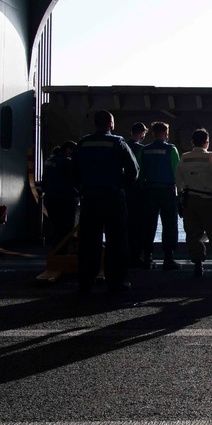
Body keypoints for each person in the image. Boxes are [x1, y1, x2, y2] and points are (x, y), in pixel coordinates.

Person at [72, 110, 139, 293]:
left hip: (90, 199)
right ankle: (116, 282)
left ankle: (85, 282)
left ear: (94, 123)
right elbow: (133, 171)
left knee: (88, 242)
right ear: (111, 123)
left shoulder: (83, 143)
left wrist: (83, 189)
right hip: (113, 198)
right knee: (116, 241)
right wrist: (121, 187)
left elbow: (73, 172)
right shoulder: (117, 142)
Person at [176, 128, 212, 278]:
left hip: (189, 201)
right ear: (207, 142)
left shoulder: (184, 158)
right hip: (208, 201)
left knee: (192, 234)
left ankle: (198, 265)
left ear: (191, 142)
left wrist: (180, 201)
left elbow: (178, 182)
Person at [138, 121, 181, 271]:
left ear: (153, 134)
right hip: (167, 191)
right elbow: (178, 172)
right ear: (166, 134)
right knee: (169, 224)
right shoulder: (171, 149)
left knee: (149, 225)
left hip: (149, 191)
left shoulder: (145, 150)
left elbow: (140, 172)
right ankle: (168, 259)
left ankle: (147, 258)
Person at [41, 141, 78, 250]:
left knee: (57, 227)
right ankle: (62, 253)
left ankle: (56, 251)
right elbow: (74, 180)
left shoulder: (50, 160)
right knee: (66, 229)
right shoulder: (67, 162)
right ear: (68, 149)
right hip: (65, 199)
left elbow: (44, 181)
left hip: (50, 198)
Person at [125, 122, 148, 266]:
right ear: (142, 134)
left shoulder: (123, 146)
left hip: (123, 191)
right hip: (138, 191)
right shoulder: (142, 149)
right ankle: (137, 257)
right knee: (138, 226)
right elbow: (143, 170)